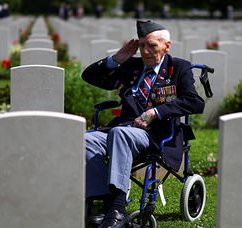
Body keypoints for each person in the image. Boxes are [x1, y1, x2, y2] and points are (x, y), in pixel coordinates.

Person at [82, 20, 205, 228]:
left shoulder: (178, 68)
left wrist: (156, 112)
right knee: (86, 139)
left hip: (155, 135)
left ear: (166, 46)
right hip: (121, 129)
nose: (145, 52)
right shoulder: (131, 67)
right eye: (142, 46)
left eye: (152, 46)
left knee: (120, 134)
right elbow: (89, 76)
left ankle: (117, 209)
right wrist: (115, 60)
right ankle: (104, 203)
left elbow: (194, 102)